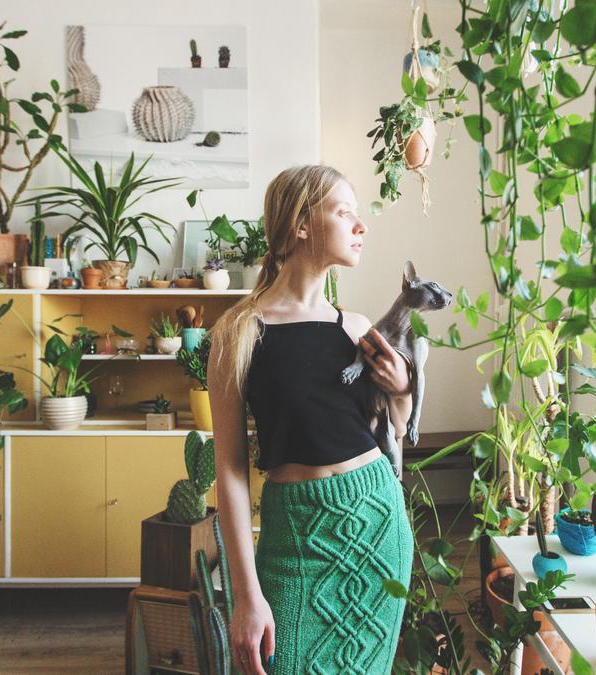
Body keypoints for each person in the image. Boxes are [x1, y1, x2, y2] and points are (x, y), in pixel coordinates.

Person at [207, 165, 416, 675]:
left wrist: (401, 389)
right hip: (296, 539)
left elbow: (392, 430)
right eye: (345, 213)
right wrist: (245, 595)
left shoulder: (357, 328)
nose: (359, 226)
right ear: (302, 224)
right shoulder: (239, 332)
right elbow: (230, 470)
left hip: (377, 525)